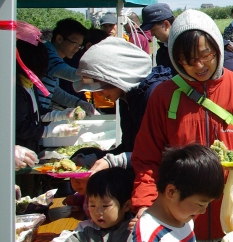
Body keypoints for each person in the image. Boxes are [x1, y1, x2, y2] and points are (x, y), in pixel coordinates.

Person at [130, 9, 233, 242]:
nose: (198, 66)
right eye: (187, 59)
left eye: (205, 55)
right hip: (179, 224)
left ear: (217, 47)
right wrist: (145, 205)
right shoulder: (163, 96)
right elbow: (147, 159)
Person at [74, 38, 173, 173]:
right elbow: (130, 147)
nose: (100, 93)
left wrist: (113, 161)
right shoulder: (125, 97)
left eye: (101, 86)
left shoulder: (154, 95)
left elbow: (164, 153)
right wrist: (96, 157)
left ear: (117, 76)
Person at [40, 18, 96, 114]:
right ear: (59, 39)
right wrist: (103, 72)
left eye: (79, 45)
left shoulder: (54, 55)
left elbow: (54, 92)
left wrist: (79, 103)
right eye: (74, 43)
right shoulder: (46, 53)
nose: (77, 48)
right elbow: (71, 75)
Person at [140, 2, 176, 73]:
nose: (152, 34)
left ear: (166, 24)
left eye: (153, 30)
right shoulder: (161, 53)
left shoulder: (186, 48)